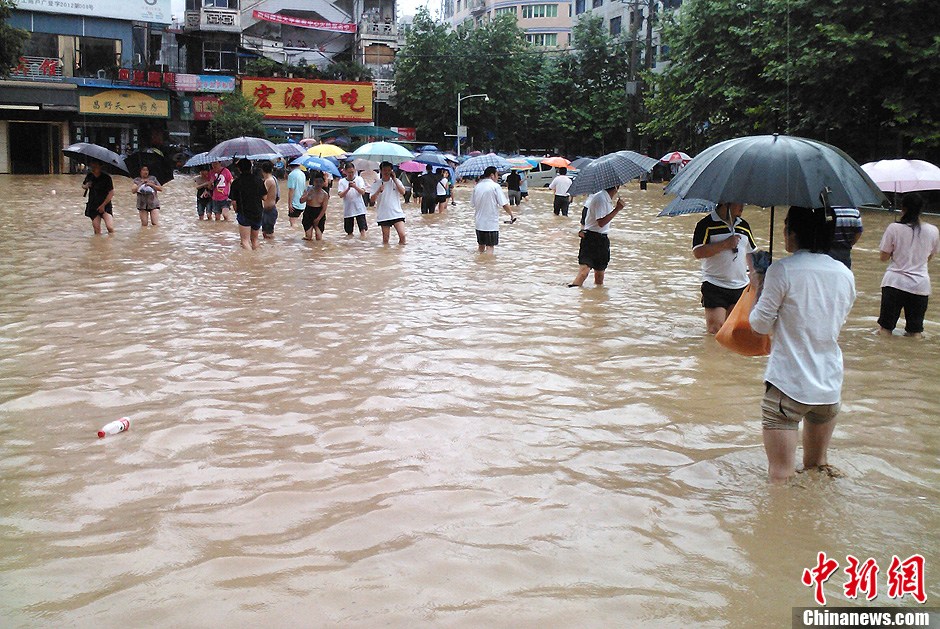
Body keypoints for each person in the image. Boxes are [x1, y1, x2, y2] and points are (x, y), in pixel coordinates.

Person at [749, 206, 856, 483]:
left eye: (786, 227)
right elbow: (832, 322)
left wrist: (758, 281)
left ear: (792, 233)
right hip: (829, 387)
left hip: (788, 385)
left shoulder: (781, 270)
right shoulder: (844, 273)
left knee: (781, 476)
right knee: (817, 467)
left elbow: (759, 326)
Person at [877, 193, 940, 338]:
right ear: (921, 209)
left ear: (902, 208)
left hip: (894, 283)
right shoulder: (933, 230)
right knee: (915, 332)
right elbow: (928, 257)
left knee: (885, 330)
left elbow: (883, 257)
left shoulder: (894, 228)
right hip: (920, 286)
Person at [692, 202, 757, 334]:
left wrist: (757, 274)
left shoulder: (744, 226)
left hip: (740, 285)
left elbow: (751, 252)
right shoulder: (706, 224)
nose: (742, 205)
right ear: (726, 203)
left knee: (734, 333)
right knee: (716, 330)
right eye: (739, 202)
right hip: (715, 284)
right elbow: (698, 252)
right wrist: (725, 244)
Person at [568, 186, 624, 287]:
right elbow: (601, 222)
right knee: (583, 273)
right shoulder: (601, 198)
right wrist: (617, 209)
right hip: (591, 238)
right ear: (617, 186)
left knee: (599, 276)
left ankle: (597, 301)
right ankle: (572, 293)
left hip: (602, 240)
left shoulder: (607, 199)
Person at [471, 166, 515, 253]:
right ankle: (489, 266)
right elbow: (504, 204)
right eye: (497, 174)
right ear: (492, 175)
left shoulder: (477, 187)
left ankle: (480, 265)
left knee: (481, 246)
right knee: (490, 247)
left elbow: (473, 204)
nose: (498, 177)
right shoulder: (495, 186)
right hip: (490, 223)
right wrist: (511, 215)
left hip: (479, 223)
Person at [229, 158, 266, 250]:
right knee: (255, 240)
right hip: (257, 212)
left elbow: (234, 202)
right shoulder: (258, 180)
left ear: (239, 169)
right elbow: (265, 197)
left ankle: (249, 261)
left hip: (244, 213)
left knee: (245, 241)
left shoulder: (236, 182)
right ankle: (256, 260)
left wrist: (237, 211)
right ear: (251, 167)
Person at [370, 161, 406, 245]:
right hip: (384, 214)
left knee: (402, 235)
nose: (387, 172)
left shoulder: (396, 181)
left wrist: (394, 180)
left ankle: (400, 254)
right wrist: (378, 191)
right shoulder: (376, 184)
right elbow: (372, 200)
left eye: (389, 170)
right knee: (386, 239)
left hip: (397, 213)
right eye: (384, 170)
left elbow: (403, 192)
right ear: (381, 171)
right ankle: (385, 256)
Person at [82, 160, 115, 235]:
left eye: (95, 166)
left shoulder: (106, 178)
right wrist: (86, 186)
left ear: (100, 167)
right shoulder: (89, 176)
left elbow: (111, 192)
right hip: (93, 205)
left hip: (105, 205)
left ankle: (110, 243)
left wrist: (103, 205)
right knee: (96, 229)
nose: (93, 168)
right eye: (92, 166)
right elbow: (83, 185)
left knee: (110, 227)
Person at [337, 162, 368, 238]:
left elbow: (363, 192)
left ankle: (363, 244)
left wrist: (355, 186)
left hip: (359, 208)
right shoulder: (342, 181)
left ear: (354, 170)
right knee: (349, 231)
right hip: (348, 209)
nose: (350, 174)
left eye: (352, 172)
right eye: (349, 172)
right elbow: (340, 195)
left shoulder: (359, 179)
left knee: (363, 230)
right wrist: (348, 188)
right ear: (345, 171)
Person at [300, 172, 329, 241]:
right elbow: (301, 201)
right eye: (316, 182)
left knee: (318, 238)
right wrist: (307, 195)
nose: (318, 184)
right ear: (313, 182)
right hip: (308, 212)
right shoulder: (308, 190)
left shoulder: (325, 194)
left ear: (323, 183)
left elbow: (324, 208)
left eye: (320, 182)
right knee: (308, 237)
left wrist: (318, 219)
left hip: (319, 213)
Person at [260, 161, 278, 239]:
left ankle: (271, 249)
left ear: (262, 170)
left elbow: (263, 196)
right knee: (266, 234)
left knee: (268, 235)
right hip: (269, 209)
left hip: (269, 211)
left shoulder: (268, 181)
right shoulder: (273, 179)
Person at [287, 162, 306, 227]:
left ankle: (294, 236)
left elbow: (291, 190)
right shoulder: (302, 174)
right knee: (294, 220)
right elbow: (304, 189)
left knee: (292, 221)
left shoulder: (291, 175)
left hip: (295, 203)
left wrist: (290, 204)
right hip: (302, 202)